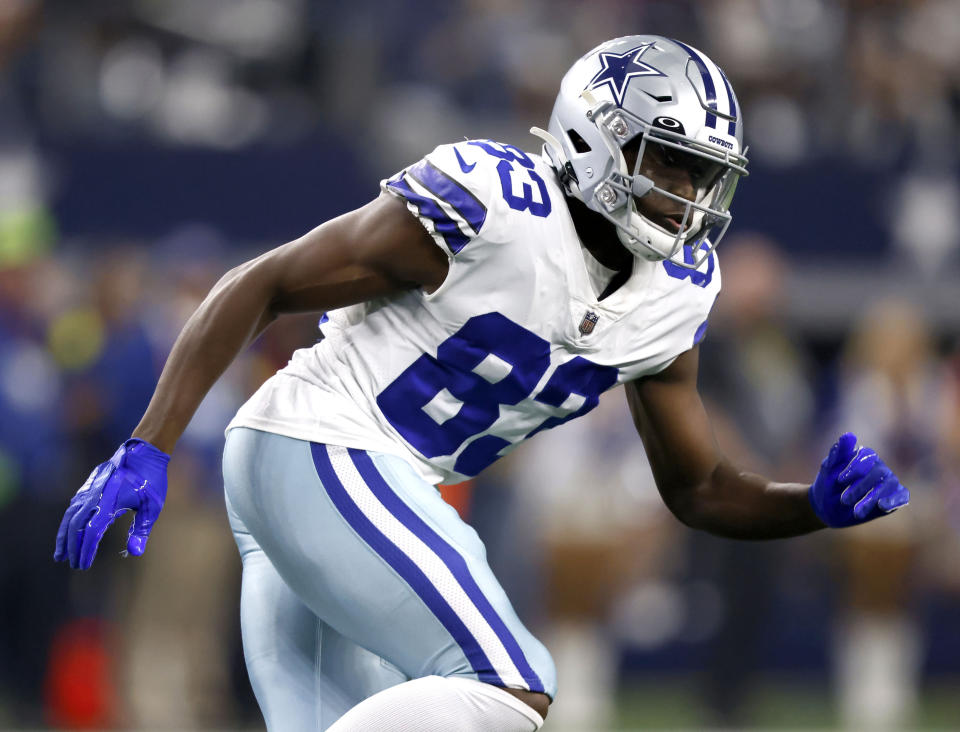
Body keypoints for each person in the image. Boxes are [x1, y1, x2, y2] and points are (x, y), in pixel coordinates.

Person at [53, 35, 910, 731]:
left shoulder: (675, 293)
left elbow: (701, 487)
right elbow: (265, 281)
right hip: (322, 444)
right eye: (668, 163)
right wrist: (148, 443)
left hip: (350, 486)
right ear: (597, 138)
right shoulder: (494, 206)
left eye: (700, 174)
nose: (685, 196)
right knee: (510, 684)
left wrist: (811, 506)